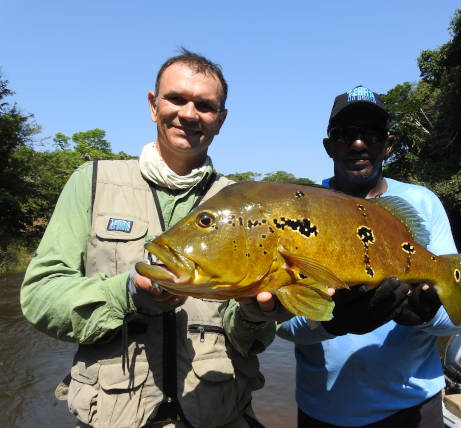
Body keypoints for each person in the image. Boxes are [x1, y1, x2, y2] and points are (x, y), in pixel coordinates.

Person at [20, 49, 278, 428]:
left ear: (220, 121)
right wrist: (126, 294)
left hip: (219, 415)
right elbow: (39, 296)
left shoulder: (244, 204)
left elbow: (250, 339)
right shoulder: (90, 182)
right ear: (153, 105)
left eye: (204, 105)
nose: (189, 114)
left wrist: (256, 317)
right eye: (176, 98)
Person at [276, 85, 461, 428]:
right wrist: (328, 321)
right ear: (329, 146)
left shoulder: (423, 202)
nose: (359, 143)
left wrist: (427, 314)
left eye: (371, 134)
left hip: (413, 410)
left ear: (387, 145)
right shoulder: (300, 207)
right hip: (323, 412)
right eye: (346, 134)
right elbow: (279, 322)